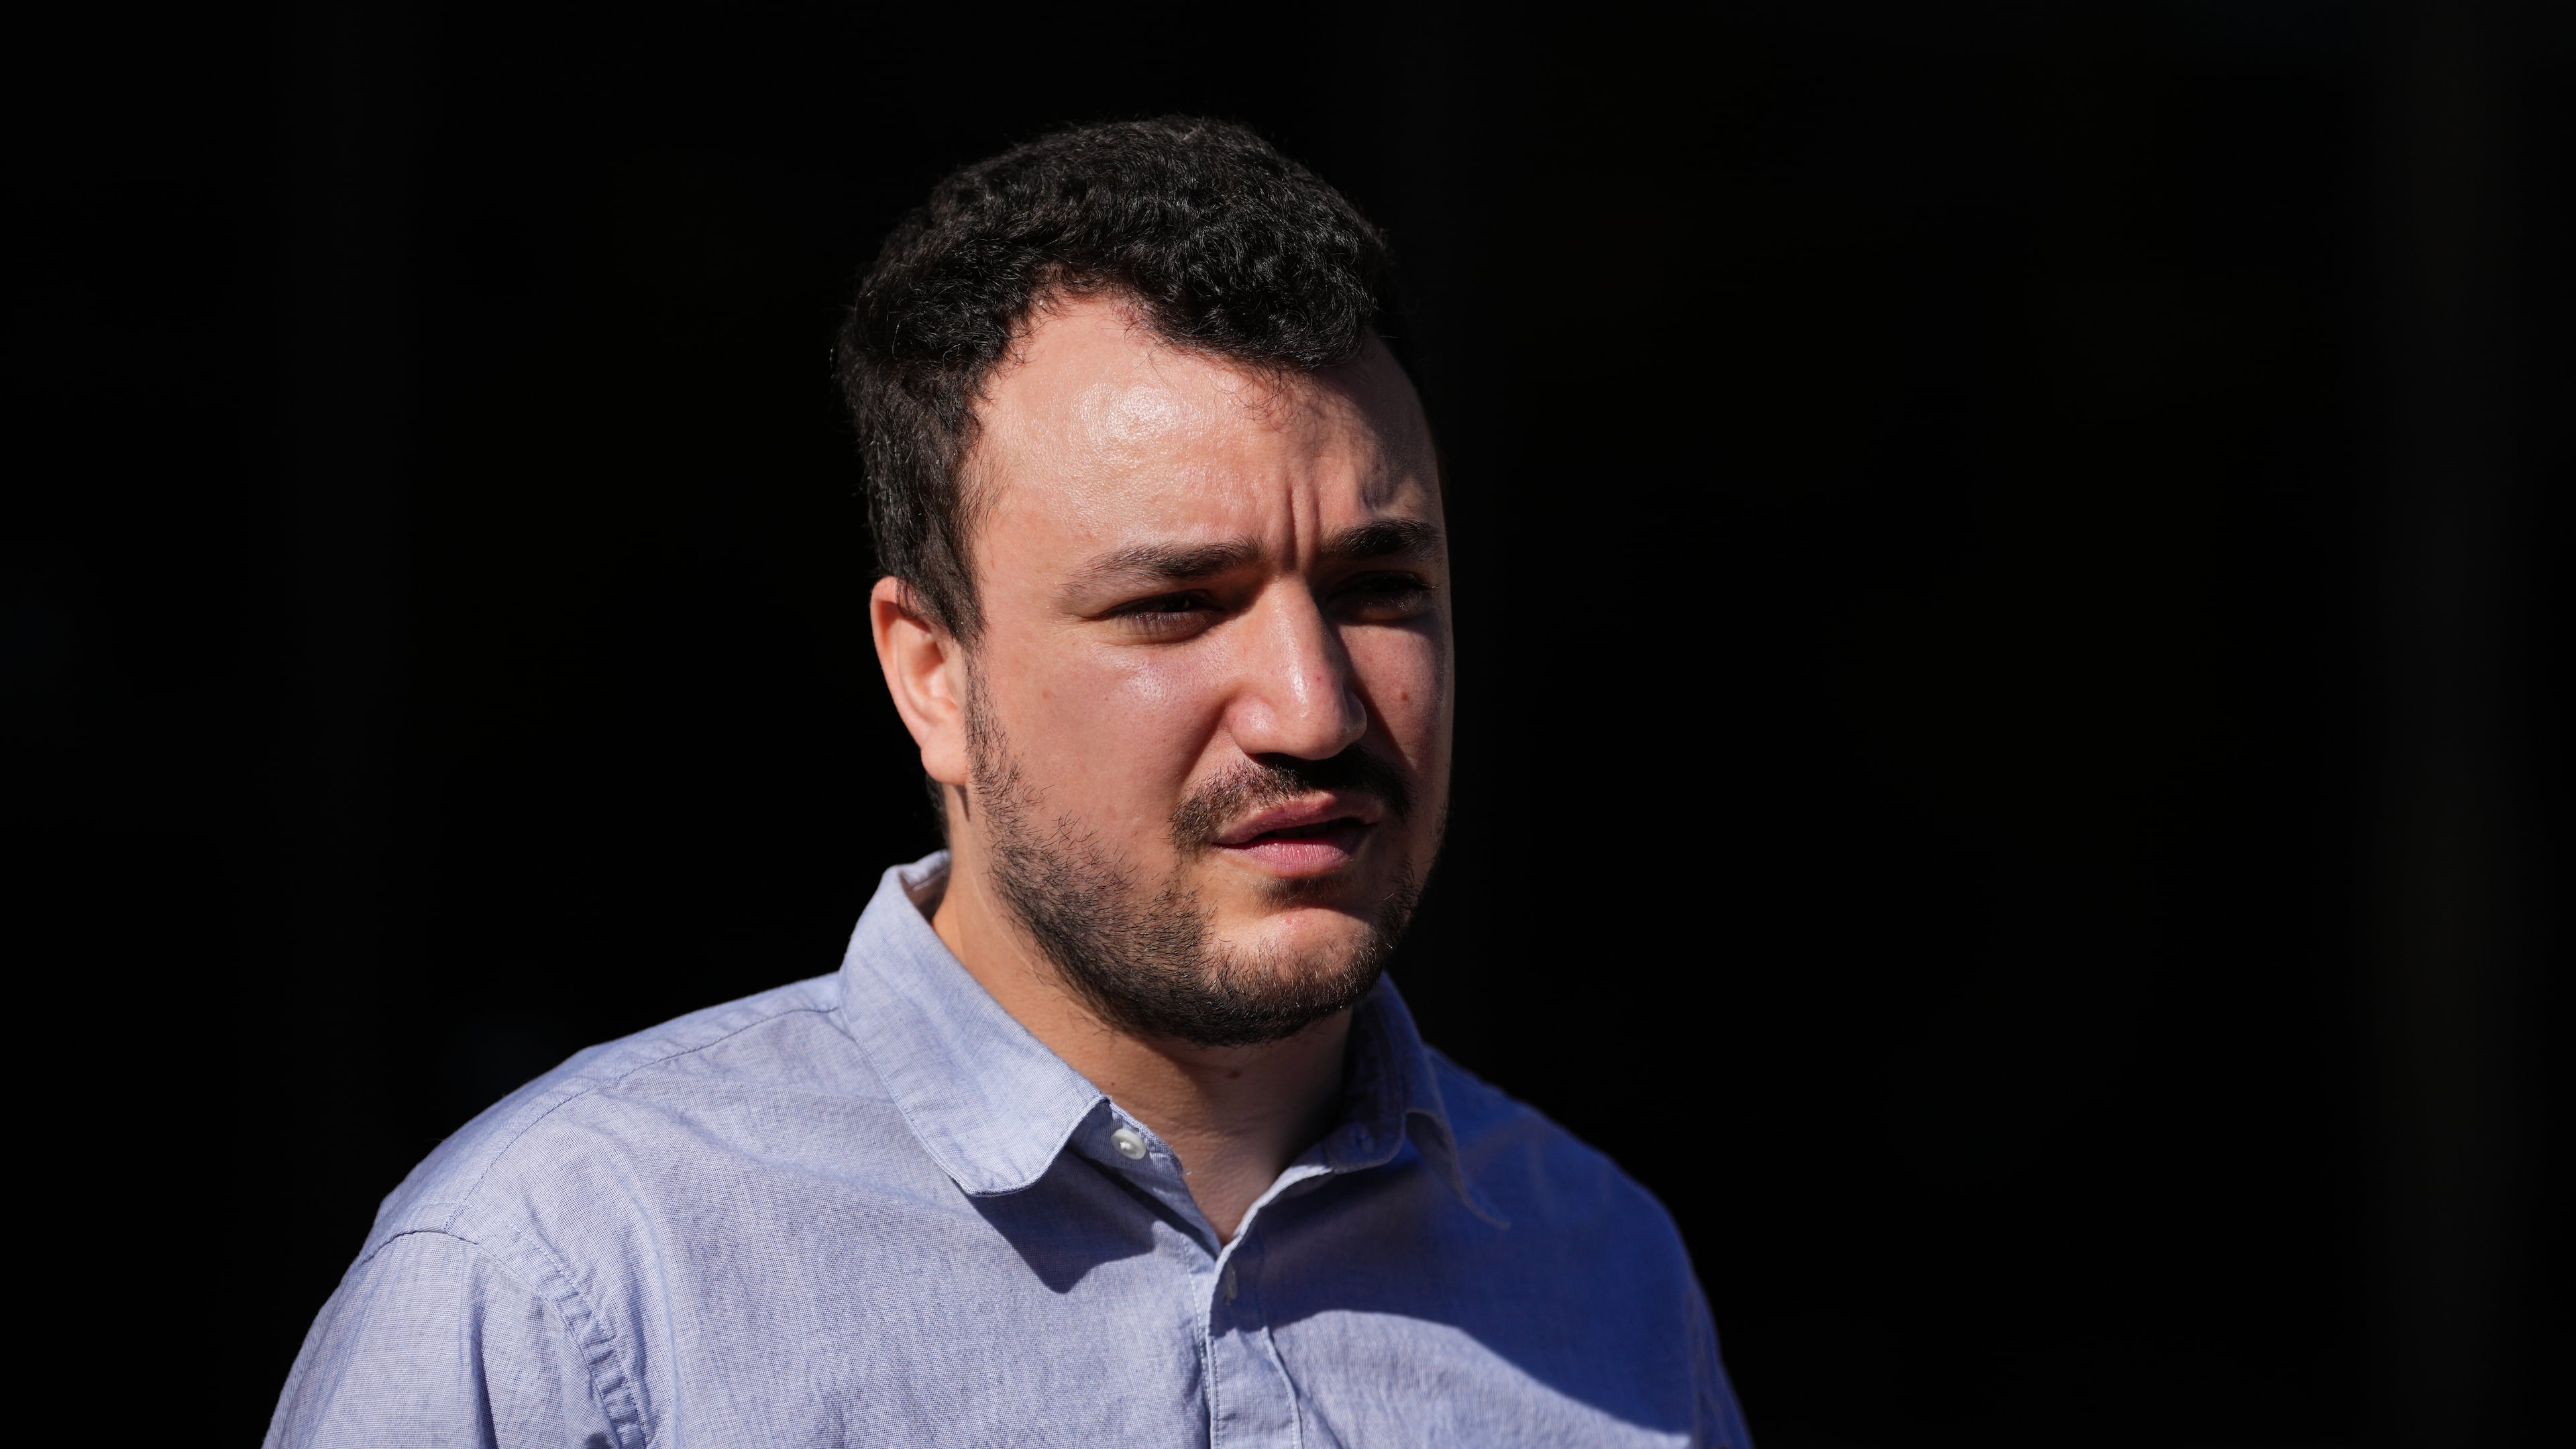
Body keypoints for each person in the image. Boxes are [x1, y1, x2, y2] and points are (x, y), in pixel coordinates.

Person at [266, 116, 1753, 1448]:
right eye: (1175, 605)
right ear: (934, 674)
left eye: (1380, 585)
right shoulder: (575, 1288)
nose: (1313, 707)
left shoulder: (1603, 1278)